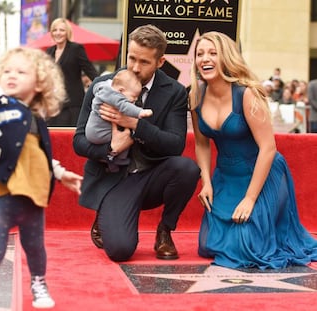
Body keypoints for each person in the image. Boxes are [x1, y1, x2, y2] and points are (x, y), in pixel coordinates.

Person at [0, 47, 82, 310]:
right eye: (8, 71)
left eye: (21, 72)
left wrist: (59, 173)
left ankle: (38, 283)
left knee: (35, 247)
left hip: (31, 193)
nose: (12, 75)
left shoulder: (36, 119)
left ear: (39, 83)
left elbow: (39, 155)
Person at [188, 31, 317, 269]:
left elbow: (268, 148)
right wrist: (206, 182)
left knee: (247, 249)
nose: (205, 59)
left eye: (213, 53)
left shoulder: (246, 93)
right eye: (200, 54)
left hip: (262, 175)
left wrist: (250, 199)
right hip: (225, 179)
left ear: (226, 57)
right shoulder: (196, 95)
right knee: (208, 245)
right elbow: (201, 143)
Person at [73, 24, 200, 262]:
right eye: (131, 58)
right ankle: (106, 212)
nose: (134, 67)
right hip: (114, 179)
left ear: (160, 62)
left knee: (188, 169)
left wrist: (135, 124)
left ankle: (165, 230)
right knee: (120, 251)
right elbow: (79, 142)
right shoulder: (103, 85)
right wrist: (111, 150)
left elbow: (175, 145)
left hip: (152, 175)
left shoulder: (174, 92)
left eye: (144, 62)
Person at [86, 69, 152, 172]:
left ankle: (113, 162)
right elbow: (124, 106)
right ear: (121, 91)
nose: (134, 100)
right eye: (133, 97)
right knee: (129, 136)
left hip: (95, 129)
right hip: (99, 132)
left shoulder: (105, 89)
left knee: (125, 135)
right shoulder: (113, 95)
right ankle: (119, 159)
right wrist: (140, 112)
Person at [46, 18, 98, 127]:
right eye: (55, 30)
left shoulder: (76, 49)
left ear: (67, 32)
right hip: (54, 104)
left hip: (72, 105)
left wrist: (104, 86)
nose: (58, 33)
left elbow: (91, 71)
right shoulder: (49, 51)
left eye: (62, 30)